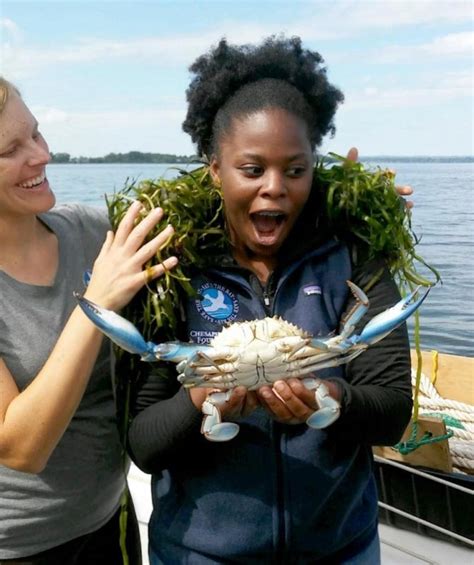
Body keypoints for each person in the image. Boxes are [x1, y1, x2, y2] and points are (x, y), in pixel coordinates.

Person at [124, 36, 413, 564]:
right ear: (215, 169)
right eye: (252, 169)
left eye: (296, 170)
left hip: (339, 549)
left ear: (314, 168)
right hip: (199, 554)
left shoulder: (352, 259)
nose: (275, 188)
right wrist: (200, 401)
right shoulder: (175, 272)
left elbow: (392, 412)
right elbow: (143, 443)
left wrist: (332, 397)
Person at [0, 78, 178, 564]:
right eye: (11, 149)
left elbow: (206, 222)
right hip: (19, 548)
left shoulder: (87, 230)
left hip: (110, 521)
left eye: (35, 135)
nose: (40, 155)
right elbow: (20, 447)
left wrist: (333, 205)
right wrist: (96, 300)